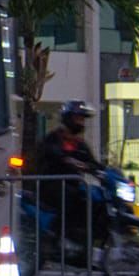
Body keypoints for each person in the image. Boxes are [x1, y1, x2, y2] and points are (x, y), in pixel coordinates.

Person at [37, 100, 103, 235]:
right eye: (77, 118)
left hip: (74, 184)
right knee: (70, 198)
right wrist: (70, 161)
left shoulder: (80, 143)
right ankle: (59, 234)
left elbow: (92, 162)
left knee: (93, 197)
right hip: (52, 185)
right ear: (68, 119)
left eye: (82, 119)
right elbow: (55, 154)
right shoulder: (54, 138)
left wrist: (106, 171)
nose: (81, 122)